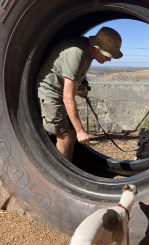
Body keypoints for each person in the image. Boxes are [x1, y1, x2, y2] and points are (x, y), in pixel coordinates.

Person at [37, 27, 123, 161]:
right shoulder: (76, 53)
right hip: (51, 94)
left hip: (61, 92)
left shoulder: (88, 52)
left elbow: (77, 74)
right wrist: (80, 131)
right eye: (107, 55)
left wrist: (82, 85)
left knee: (70, 134)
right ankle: (62, 176)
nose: (109, 60)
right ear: (96, 47)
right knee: (64, 136)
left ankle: (68, 166)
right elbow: (67, 97)